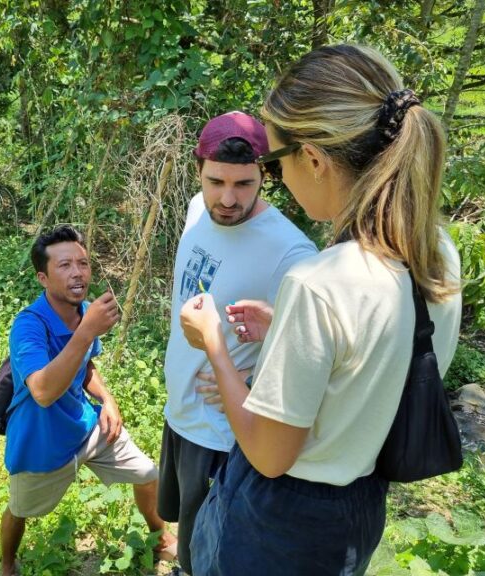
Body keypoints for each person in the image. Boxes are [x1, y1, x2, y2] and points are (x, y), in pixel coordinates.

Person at [179, 44, 462, 575]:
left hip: (282, 523)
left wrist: (215, 344)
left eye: (275, 162)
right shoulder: (436, 250)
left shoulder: (320, 282)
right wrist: (285, 332)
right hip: (360, 505)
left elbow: (269, 453)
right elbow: (378, 362)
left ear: (312, 158)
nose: (278, 179)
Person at [158, 111, 317, 575]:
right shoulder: (194, 209)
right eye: (216, 181)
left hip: (223, 437)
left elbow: (311, 349)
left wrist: (254, 376)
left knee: (209, 555)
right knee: (185, 526)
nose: (227, 199)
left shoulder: (291, 252)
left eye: (244, 184)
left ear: (264, 176)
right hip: (181, 412)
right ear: (199, 171)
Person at [0, 225, 176, 576]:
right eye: (64, 265)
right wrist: (86, 331)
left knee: (147, 473)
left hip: (88, 427)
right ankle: (6, 563)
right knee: (20, 509)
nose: (78, 272)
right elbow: (43, 392)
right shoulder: (29, 326)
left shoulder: (83, 312)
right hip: (41, 445)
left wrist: (107, 399)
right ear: (43, 278)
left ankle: (161, 538)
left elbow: (86, 365)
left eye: (83, 263)